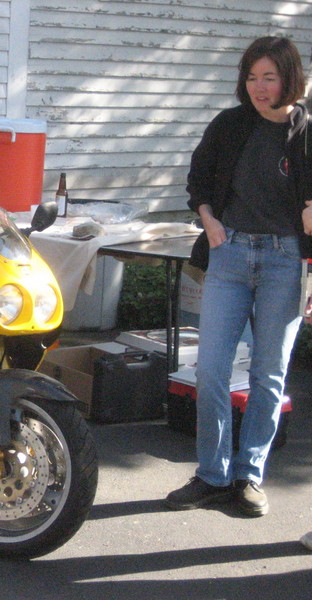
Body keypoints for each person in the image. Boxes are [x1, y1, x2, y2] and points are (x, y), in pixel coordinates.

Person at [165, 37, 312, 517]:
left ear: (290, 77)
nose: (258, 87)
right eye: (251, 77)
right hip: (229, 254)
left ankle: (249, 474)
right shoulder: (231, 125)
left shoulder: (306, 130)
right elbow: (199, 180)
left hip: (285, 260)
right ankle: (211, 473)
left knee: (268, 374)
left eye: (269, 77)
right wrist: (210, 221)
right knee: (210, 369)